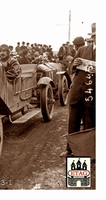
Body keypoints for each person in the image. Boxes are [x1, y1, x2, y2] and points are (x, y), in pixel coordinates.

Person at [60, 23, 96, 157]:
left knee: (90, 123)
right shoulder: (82, 50)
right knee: (73, 122)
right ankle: (70, 149)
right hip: (77, 92)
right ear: (93, 37)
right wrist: (73, 65)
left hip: (93, 95)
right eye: (96, 36)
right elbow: (71, 69)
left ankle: (89, 152)